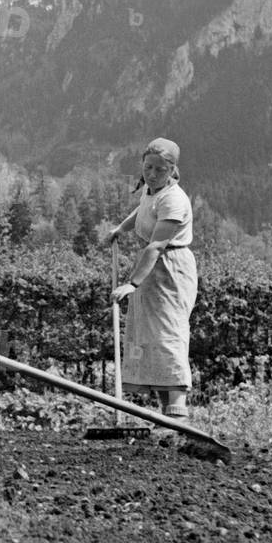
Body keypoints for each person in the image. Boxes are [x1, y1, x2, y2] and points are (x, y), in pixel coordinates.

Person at [107, 137, 197, 418]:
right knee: (150, 337)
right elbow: (144, 210)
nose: (153, 174)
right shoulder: (153, 191)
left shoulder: (175, 199)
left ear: (172, 171)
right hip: (152, 267)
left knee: (169, 334)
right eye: (148, 167)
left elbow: (157, 246)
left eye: (160, 170)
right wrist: (120, 229)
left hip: (170, 269)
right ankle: (164, 415)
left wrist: (131, 284)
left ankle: (178, 412)